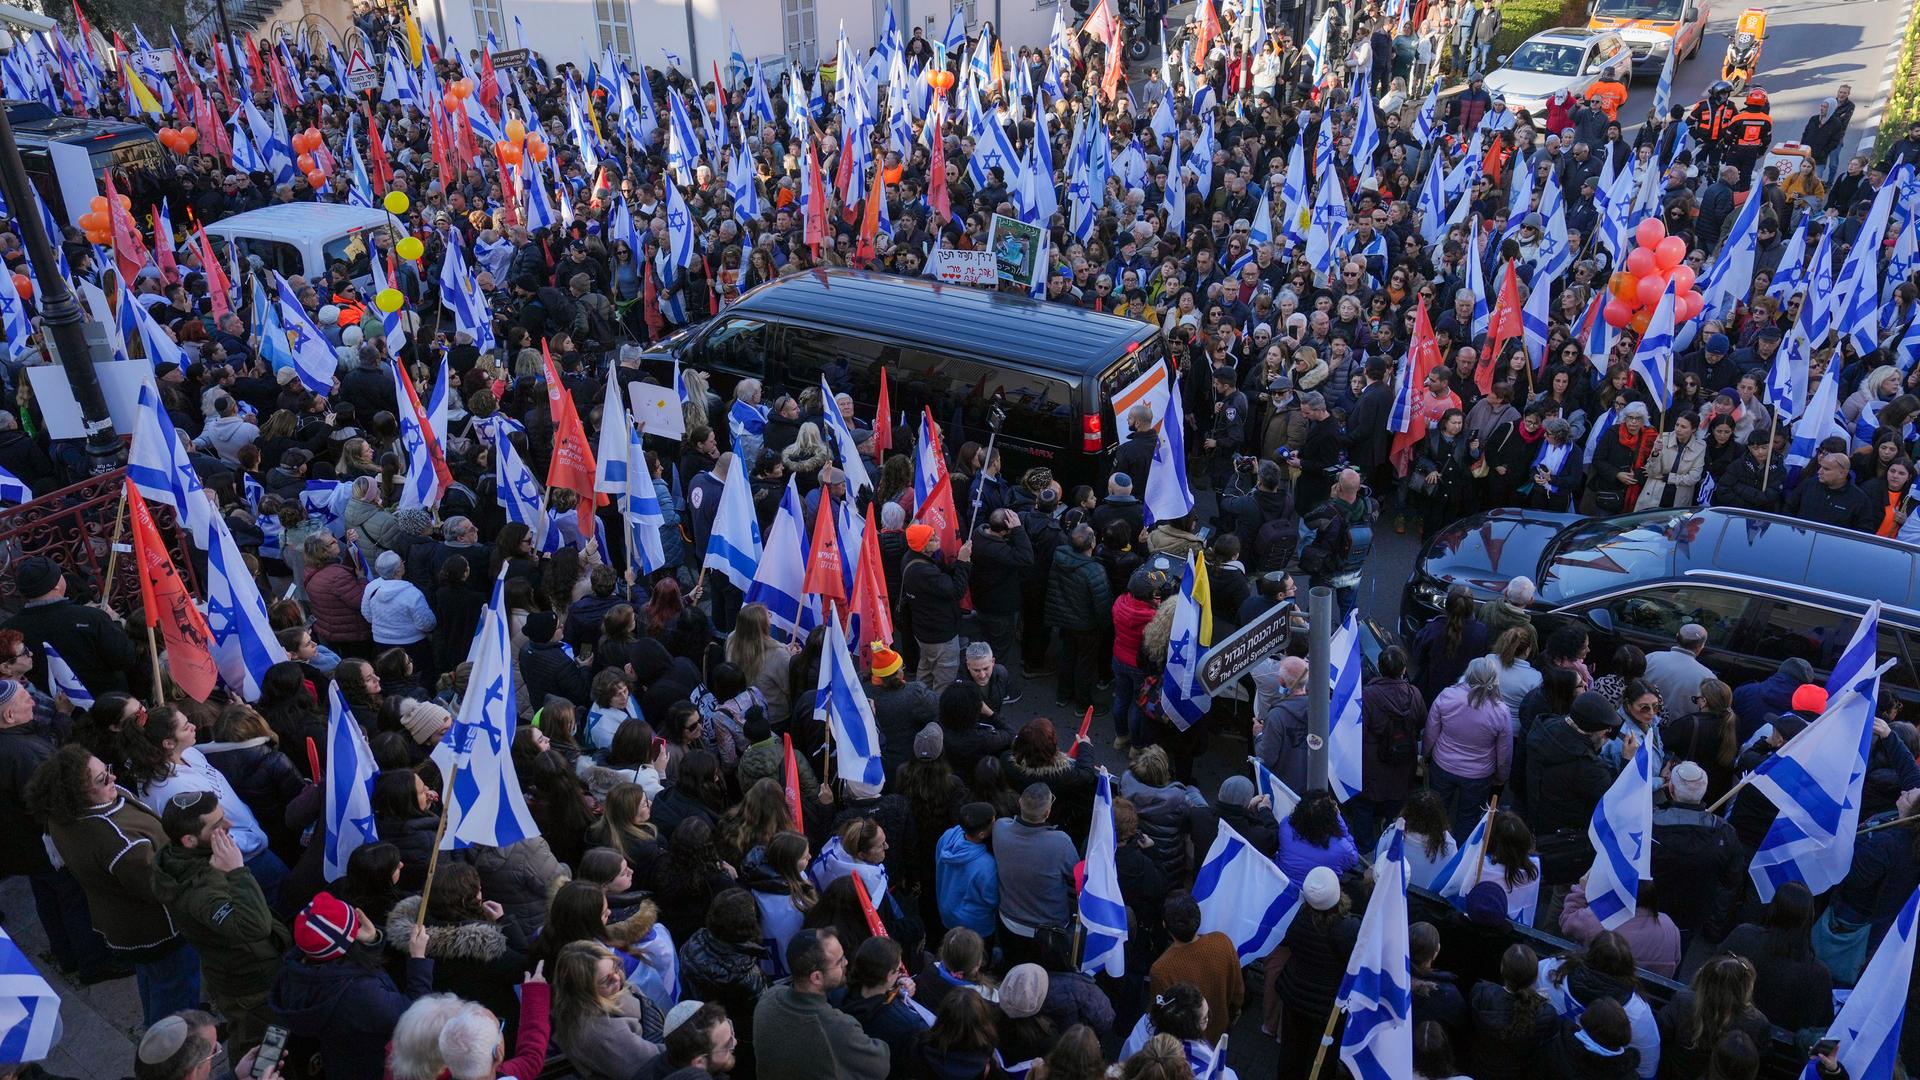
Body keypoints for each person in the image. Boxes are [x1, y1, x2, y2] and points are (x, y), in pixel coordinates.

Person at [26, 745, 200, 1026]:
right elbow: (160, 887)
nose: (113, 778)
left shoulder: (63, 817)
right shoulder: (118, 840)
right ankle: (177, 1047)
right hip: (160, 929)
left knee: (152, 979)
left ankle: (156, 1026)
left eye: (106, 769)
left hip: (127, 929)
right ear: (75, 795)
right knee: (175, 991)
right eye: (101, 779)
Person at [150, 790, 291, 1061]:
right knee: (263, 1047)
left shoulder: (178, 854)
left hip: (243, 969)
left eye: (223, 818)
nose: (227, 827)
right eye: (216, 826)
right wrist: (238, 871)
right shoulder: (198, 890)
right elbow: (253, 927)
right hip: (251, 985)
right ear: (189, 840)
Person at [270, 891, 434, 1080]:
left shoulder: (299, 969)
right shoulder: (359, 993)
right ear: (346, 943)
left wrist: (372, 940)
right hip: (374, 1066)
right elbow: (412, 1014)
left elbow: (350, 962)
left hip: (341, 1061)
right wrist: (418, 958)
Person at [753, 929, 891, 1080]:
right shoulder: (837, 1028)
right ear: (816, 977)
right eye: (839, 961)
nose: (846, 962)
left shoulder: (769, 997)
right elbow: (880, 1065)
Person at [3, 556, 139, 694]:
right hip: (110, 703)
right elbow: (126, 658)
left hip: (55, 709)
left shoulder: (8, 631)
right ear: (56, 584)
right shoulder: (91, 617)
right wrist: (114, 622)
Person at [548, 940, 666, 1079]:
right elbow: (655, 1067)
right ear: (583, 990)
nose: (617, 978)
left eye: (615, 968)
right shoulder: (601, 1034)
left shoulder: (606, 993)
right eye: (605, 980)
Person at [1424, 657, 1513, 840]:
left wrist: (1425, 754)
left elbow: (1431, 731)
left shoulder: (1447, 695)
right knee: (1468, 817)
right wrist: (1501, 776)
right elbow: (1504, 751)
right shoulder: (1501, 711)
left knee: (1437, 809)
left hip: (1443, 764)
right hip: (1478, 775)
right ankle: (1458, 856)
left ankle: (1433, 844)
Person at [992, 783, 1079, 965]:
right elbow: (1075, 875)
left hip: (1009, 924)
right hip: (1049, 932)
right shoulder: (1061, 843)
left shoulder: (1000, 829)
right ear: (1047, 813)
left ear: (1019, 802)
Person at [1147, 892, 1242, 1043]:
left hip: (1186, 1045)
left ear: (1164, 924)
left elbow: (1161, 1017)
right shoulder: (1223, 941)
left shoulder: (1161, 970)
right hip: (1219, 1033)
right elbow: (1238, 993)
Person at [900, 524, 973, 689]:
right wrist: (962, 563)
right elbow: (956, 591)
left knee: (926, 668)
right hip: (940, 634)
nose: (938, 539)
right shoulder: (923, 572)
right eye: (932, 538)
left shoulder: (911, 559)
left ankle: (920, 700)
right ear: (923, 546)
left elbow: (942, 579)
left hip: (924, 629)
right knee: (944, 679)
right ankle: (938, 711)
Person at [1640, 624, 1715, 721]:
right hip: (1674, 730)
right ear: (1700, 647)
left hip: (1640, 720)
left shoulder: (1651, 658)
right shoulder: (1708, 677)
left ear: (1677, 638)